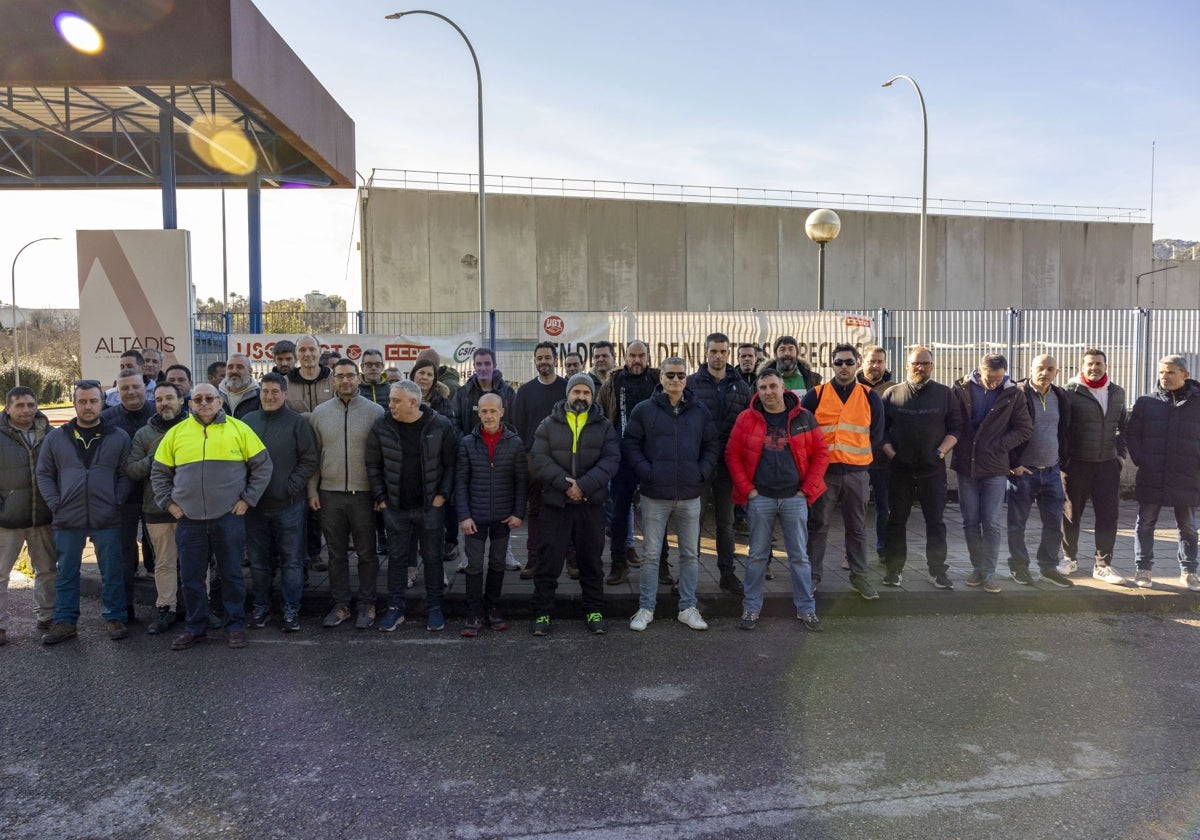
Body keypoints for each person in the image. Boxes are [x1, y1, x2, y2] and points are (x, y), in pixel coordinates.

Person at [152, 383, 272, 650]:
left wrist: (247, 500)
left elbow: (263, 467)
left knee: (231, 575)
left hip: (228, 516)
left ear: (220, 402)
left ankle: (235, 626)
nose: (204, 403)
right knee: (192, 577)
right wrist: (169, 504)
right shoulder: (176, 434)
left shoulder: (239, 429)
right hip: (189, 519)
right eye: (198, 399)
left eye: (210, 398)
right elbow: (159, 473)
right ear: (190, 404)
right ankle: (196, 627)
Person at [725, 370, 829, 631]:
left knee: (799, 558)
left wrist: (807, 490)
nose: (768, 392)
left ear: (784, 388)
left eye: (773, 386)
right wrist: (748, 490)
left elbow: (821, 454)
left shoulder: (804, 417)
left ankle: (806, 609)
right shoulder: (746, 419)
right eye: (763, 387)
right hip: (761, 497)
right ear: (757, 391)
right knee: (757, 556)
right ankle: (751, 609)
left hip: (795, 496)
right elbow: (732, 454)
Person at [623, 357, 718, 631]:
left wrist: (701, 472)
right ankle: (646, 608)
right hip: (655, 495)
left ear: (686, 378)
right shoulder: (644, 410)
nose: (676, 380)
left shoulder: (699, 410)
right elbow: (631, 443)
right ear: (661, 378)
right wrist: (647, 472)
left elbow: (712, 444)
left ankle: (688, 608)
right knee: (651, 554)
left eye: (680, 375)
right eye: (670, 375)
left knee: (689, 554)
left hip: (690, 494)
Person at [36, 380, 131, 645]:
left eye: (93, 401)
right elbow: (44, 473)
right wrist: (56, 502)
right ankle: (65, 622)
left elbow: (126, 475)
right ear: (75, 403)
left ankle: (115, 617)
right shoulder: (57, 437)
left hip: (106, 515)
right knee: (66, 572)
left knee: (112, 570)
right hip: (68, 516)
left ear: (102, 402)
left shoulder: (118, 436)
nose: (88, 406)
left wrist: (116, 500)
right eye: (82, 401)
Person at [530, 372, 620, 636]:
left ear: (592, 396)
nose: (581, 396)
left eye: (586, 393)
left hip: (590, 504)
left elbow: (611, 460)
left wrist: (584, 486)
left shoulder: (604, 426)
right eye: (577, 391)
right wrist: (566, 485)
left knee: (591, 561)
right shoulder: (548, 424)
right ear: (568, 394)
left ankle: (594, 610)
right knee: (548, 562)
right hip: (556, 504)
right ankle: (542, 613)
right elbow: (539, 458)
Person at [366, 380, 458, 632]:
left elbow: (451, 464)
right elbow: (373, 465)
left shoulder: (440, 425)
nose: (390, 404)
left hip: (430, 506)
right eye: (391, 400)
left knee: (432, 558)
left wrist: (441, 496)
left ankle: (435, 608)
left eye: (396, 400)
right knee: (396, 559)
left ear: (413, 403)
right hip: (395, 507)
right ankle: (395, 609)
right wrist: (382, 498)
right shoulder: (382, 425)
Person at [801, 343, 885, 599]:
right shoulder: (815, 395)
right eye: (839, 362)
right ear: (832, 364)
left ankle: (859, 577)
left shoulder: (870, 396)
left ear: (857, 364)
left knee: (857, 527)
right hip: (824, 474)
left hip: (857, 473)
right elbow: (803, 435)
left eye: (849, 362)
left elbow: (876, 435)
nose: (844, 367)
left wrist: (856, 458)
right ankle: (812, 578)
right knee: (818, 525)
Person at [308, 359, 385, 629]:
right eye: (340, 376)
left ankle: (367, 604)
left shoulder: (376, 412)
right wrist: (312, 490)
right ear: (332, 380)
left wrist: (379, 494)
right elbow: (314, 456)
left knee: (367, 553)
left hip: (364, 495)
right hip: (329, 493)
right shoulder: (319, 413)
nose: (345, 381)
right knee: (336, 554)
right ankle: (341, 605)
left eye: (350, 375)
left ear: (359, 377)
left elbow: (382, 457)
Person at [880, 346, 963, 590]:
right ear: (907, 365)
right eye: (916, 363)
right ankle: (894, 570)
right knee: (896, 521)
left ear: (932, 366)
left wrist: (940, 452)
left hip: (932, 471)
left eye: (925, 363)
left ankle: (937, 572)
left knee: (935, 523)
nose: (920, 367)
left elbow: (956, 429)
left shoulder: (945, 394)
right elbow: (880, 431)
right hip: (899, 470)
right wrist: (891, 453)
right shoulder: (892, 394)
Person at [242, 373, 319, 631]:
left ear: (285, 394)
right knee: (259, 561)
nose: (270, 396)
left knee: (292, 561)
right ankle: (261, 608)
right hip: (254, 506)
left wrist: (291, 487)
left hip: (289, 505)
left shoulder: (297, 423)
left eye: (275, 391)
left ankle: (290, 610)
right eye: (265, 391)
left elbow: (309, 459)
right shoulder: (247, 421)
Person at [951, 354, 1032, 593]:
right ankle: (977, 569)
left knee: (992, 523)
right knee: (970, 522)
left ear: (1005, 373)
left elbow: (1025, 428)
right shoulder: (961, 389)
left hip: (995, 468)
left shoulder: (1014, 393)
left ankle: (989, 572)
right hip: (967, 465)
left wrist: (1000, 446)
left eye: (998, 378)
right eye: (989, 378)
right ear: (979, 371)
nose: (994, 383)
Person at [456, 392, 528, 636]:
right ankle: (473, 612)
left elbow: (521, 482)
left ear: (502, 412)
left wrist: (518, 513)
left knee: (498, 563)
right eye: (484, 411)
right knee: (474, 565)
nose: (488, 415)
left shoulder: (515, 443)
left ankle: (494, 608)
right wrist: (463, 516)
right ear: (479, 413)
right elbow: (461, 481)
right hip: (474, 517)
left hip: (502, 517)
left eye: (493, 411)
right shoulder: (467, 443)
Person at [1127, 355, 1200, 591]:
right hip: (1152, 473)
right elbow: (1132, 435)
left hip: (1187, 474)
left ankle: (1189, 571)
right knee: (1145, 523)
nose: (1164, 377)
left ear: (1185, 375)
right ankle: (1143, 569)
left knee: (1187, 526)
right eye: (1161, 373)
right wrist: (1142, 460)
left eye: (1170, 372)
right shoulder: (1146, 402)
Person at [686, 332, 752, 595]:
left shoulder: (741, 386)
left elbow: (749, 425)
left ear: (729, 353)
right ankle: (689, 576)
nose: (718, 356)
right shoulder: (691, 384)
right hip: (700, 465)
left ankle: (727, 574)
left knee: (726, 523)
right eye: (713, 351)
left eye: (723, 351)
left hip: (728, 467)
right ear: (705, 352)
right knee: (694, 522)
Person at [123, 382, 189, 634]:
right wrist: (158, 456)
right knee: (164, 563)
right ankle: (166, 608)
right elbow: (132, 469)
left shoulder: (195, 428)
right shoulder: (144, 434)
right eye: (159, 399)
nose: (164, 403)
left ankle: (198, 607)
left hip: (193, 508)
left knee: (197, 561)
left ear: (181, 400)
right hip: (157, 507)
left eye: (169, 398)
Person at [1058, 348, 1128, 586]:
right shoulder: (1070, 392)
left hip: (1107, 465)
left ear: (1105, 366)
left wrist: (1120, 456)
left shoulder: (1117, 392)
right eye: (1090, 363)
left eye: (1099, 363)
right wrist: (1064, 459)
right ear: (1082, 366)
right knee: (1070, 514)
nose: (1094, 367)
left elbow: (1123, 428)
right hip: (1076, 464)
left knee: (1108, 515)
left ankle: (1103, 565)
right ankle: (1069, 559)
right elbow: (1061, 429)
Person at [1006, 355, 1074, 588]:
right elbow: (1005, 430)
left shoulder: (1061, 396)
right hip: (1023, 472)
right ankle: (1019, 567)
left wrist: (1062, 461)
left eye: (1050, 369)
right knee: (1017, 524)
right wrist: (1013, 464)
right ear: (1030, 369)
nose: (1045, 373)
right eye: (1040, 368)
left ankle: (1048, 567)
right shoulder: (1016, 394)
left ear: (1057, 371)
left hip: (1052, 471)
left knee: (1054, 524)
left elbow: (1064, 431)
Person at [598, 339, 660, 584]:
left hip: (653, 458)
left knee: (656, 513)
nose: (637, 360)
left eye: (641, 355)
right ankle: (618, 564)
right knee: (620, 513)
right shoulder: (612, 382)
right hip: (622, 458)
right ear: (625, 357)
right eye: (632, 355)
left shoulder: (657, 380)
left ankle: (661, 565)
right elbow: (601, 416)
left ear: (647, 356)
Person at [0, 387, 55, 645]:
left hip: (42, 516)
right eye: (20, 405)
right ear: (8, 408)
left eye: (31, 404)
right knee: (1, 574)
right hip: (7, 519)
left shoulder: (51, 435)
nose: (26, 410)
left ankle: (48, 616)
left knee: (46, 570)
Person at [101, 368, 156, 619]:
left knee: (162, 554)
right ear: (117, 391)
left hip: (158, 495)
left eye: (135, 387)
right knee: (123, 554)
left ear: (145, 387)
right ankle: (124, 609)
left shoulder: (159, 412)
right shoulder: (107, 419)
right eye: (125, 388)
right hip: (122, 498)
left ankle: (169, 607)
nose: (131, 392)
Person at [511, 342, 567, 580]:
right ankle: (533, 560)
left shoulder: (566, 388)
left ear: (556, 359)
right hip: (534, 462)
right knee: (534, 512)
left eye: (547, 357)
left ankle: (571, 560)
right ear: (534, 361)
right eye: (539, 358)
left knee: (568, 511)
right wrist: (527, 458)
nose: (543, 361)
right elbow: (518, 427)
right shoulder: (524, 392)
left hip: (564, 460)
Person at [857, 345, 896, 557]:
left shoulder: (894, 388)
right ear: (863, 362)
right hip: (856, 459)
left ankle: (883, 549)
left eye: (880, 361)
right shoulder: (850, 387)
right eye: (871, 361)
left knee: (885, 508)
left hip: (883, 461)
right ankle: (852, 553)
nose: (875, 366)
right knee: (856, 511)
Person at [286, 335, 335, 413]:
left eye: (312, 349)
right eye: (302, 350)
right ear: (296, 354)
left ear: (320, 351)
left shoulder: (334, 379)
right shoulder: (285, 383)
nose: (308, 354)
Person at [219, 353, 261, 418]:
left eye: (239, 367)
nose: (234, 371)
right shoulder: (216, 395)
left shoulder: (260, 396)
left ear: (250, 371)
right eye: (230, 367)